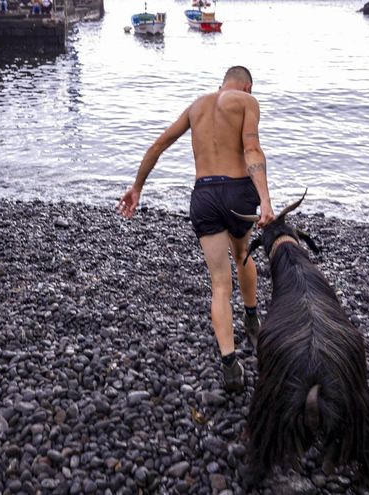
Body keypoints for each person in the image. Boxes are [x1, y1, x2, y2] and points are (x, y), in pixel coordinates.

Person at [118, 66, 275, 393]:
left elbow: (159, 145)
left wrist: (137, 188)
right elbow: (252, 151)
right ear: (247, 85)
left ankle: (230, 364)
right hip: (237, 193)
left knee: (219, 283)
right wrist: (266, 201)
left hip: (203, 196)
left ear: (222, 84)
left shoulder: (196, 106)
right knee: (243, 253)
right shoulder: (247, 101)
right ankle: (251, 318)